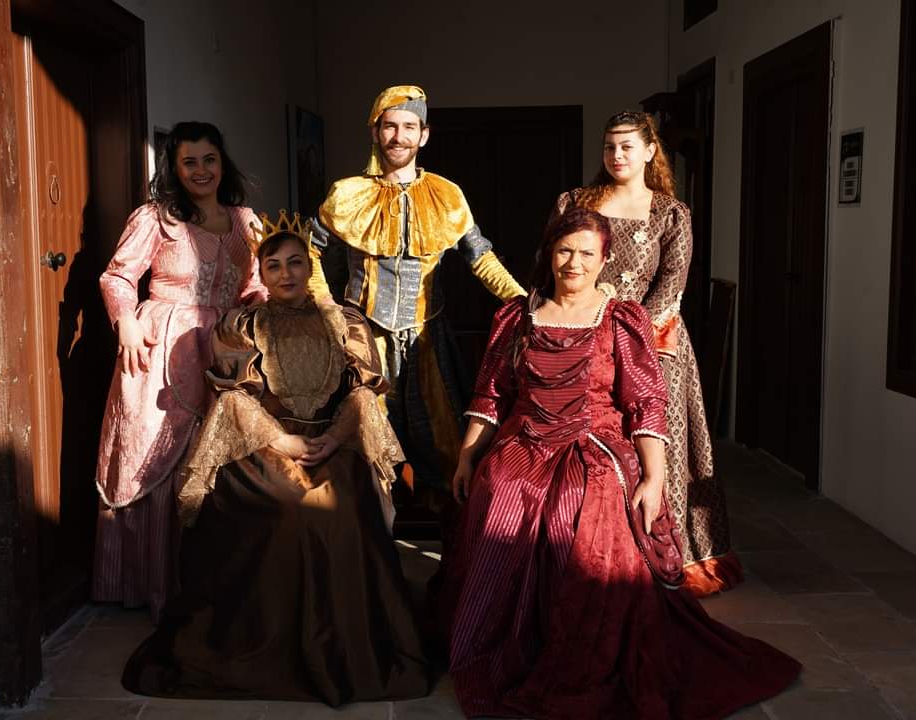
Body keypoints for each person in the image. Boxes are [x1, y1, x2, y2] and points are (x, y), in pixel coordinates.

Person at [445, 207, 800, 719]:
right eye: (565, 250)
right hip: (523, 440)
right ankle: (505, 635)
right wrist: (467, 456)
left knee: (579, 503)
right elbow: (491, 394)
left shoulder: (620, 319)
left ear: (604, 259)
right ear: (548, 253)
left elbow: (645, 403)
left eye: (586, 253)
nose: (574, 262)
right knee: (500, 486)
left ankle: (574, 642)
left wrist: (655, 476)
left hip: (595, 441)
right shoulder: (517, 316)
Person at [122, 213, 430, 704]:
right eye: (274, 266)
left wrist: (335, 436)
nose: (286, 274)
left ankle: (344, 644)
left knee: (341, 510)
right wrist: (282, 442)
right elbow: (233, 397)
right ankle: (272, 643)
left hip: (332, 443)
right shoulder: (241, 325)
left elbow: (363, 393)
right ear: (261, 274)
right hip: (263, 444)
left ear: (310, 267)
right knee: (291, 512)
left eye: (295, 263)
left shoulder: (345, 322)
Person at [549, 110, 742, 596]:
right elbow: (552, 262)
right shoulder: (574, 202)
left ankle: (666, 558)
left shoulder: (671, 214)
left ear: (650, 151)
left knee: (656, 446)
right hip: (581, 336)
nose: (616, 155)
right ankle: (589, 550)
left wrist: (623, 338)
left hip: (652, 343)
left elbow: (671, 285)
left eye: (627, 146)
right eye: (609, 146)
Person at [309, 84, 525, 503]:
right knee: (364, 444)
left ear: (424, 135)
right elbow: (308, 252)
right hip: (362, 339)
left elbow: (481, 258)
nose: (399, 136)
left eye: (409, 127)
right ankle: (374, 543)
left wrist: (525, 303)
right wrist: (326, 308)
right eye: (390, 126)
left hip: (428, 336)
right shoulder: (347, 194)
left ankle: (449, 541)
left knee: (444, 444)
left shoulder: (447, 195)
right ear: (375, 132)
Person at [93, 121, 266, 621]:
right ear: (174, 166)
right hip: (158, 349)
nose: (201, 170)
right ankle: (144, 582)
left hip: (223, 349)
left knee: (214, 455)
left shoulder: (245, 221)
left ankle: (204, 584)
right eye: (189, 162)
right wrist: (126, 320)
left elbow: (256, 285)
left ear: (222, 163)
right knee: (152, 453)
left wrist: (257, 319)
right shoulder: (155, 217)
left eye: (209, 159)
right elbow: (118, 275)